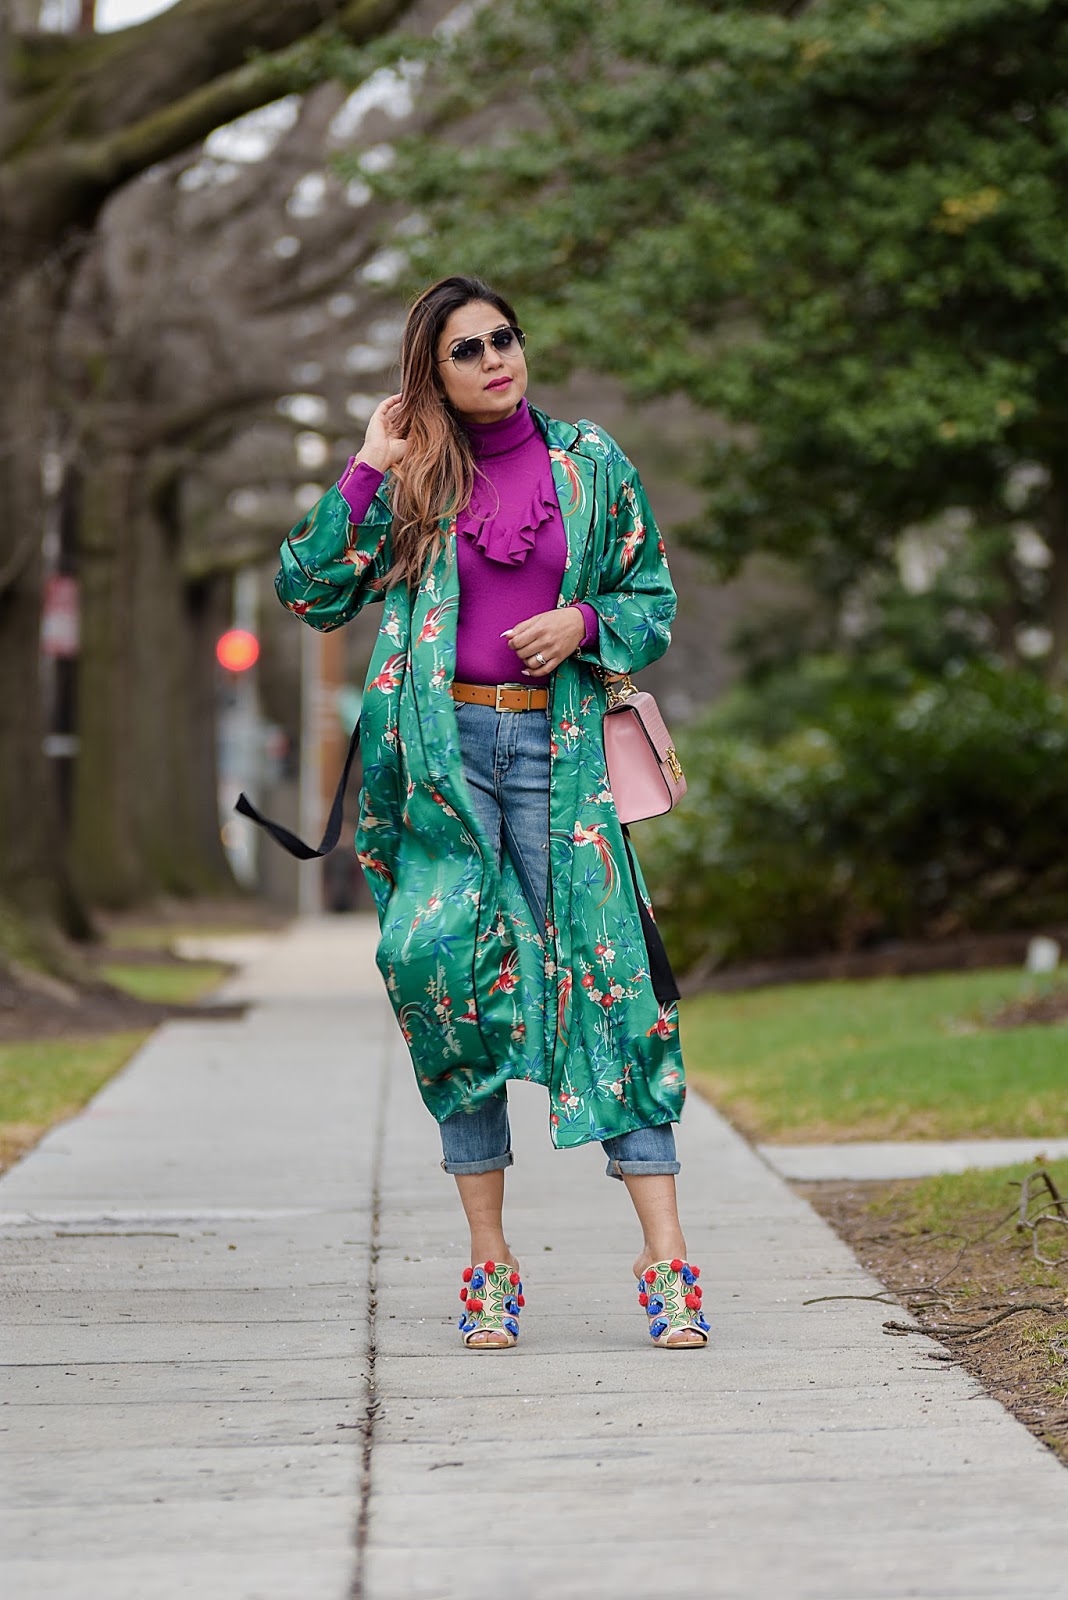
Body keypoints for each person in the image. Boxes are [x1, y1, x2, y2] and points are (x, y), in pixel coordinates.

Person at [275, 275, 707, 1350]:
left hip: (561, 757)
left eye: (502, 338)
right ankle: (489, 1262)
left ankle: (666, 1261)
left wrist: (583, 621)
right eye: (464, 350)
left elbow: (651, 597)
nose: (493, 359)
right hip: (441, 758)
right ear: (431, 375)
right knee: (443, 979)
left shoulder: (589, 462)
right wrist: (368, 464)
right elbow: (310, 590)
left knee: (613, 977)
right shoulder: (414, 480)